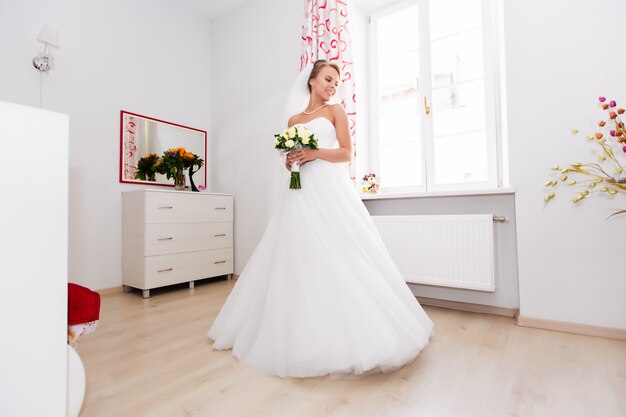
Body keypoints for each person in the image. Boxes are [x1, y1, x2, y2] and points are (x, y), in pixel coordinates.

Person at [208, 60, 434, 378]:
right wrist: (292, 160)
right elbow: (290, 161)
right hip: (298, 192)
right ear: (312, 80)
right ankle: (293, 327)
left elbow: (345, 153)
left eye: (336, 83)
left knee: (342, 251)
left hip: (329, 189)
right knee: (295, 253)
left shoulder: (335, 112)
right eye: (328, 79)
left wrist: (314, 153)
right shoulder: (294, 119)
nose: (332, 86)